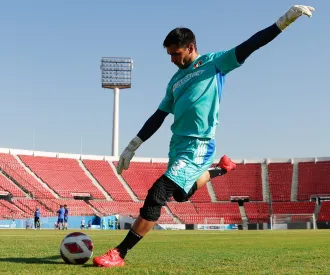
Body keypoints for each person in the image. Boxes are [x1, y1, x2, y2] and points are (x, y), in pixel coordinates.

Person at [93, 4, 315, 268]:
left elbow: (251, 44)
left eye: (175, 54)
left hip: (199, 145)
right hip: (178, 145)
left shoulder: (214, 63)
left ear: (190, 47)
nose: (172, 60)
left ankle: (119, 253)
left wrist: (284, 21)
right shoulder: (174, 82)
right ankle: (220, 170)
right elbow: (158, 116)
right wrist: (133, 145)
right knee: (181, 195)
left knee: (158, 193)